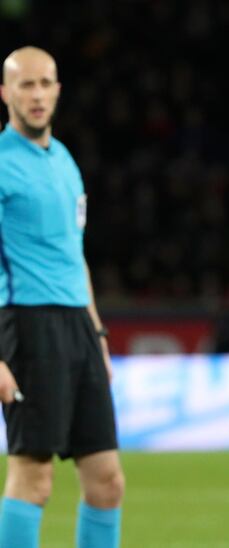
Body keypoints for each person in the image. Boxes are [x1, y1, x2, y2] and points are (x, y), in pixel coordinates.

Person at [0, 47, 124, 547]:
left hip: (78, 328)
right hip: (28, 327)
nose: (36, 94)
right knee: (34, 478)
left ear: (57, 90)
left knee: (107, 482)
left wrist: (97, 333)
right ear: (5, 93)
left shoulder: (65, 159)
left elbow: (77, 256)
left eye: (44, 83)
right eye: (25, 84)